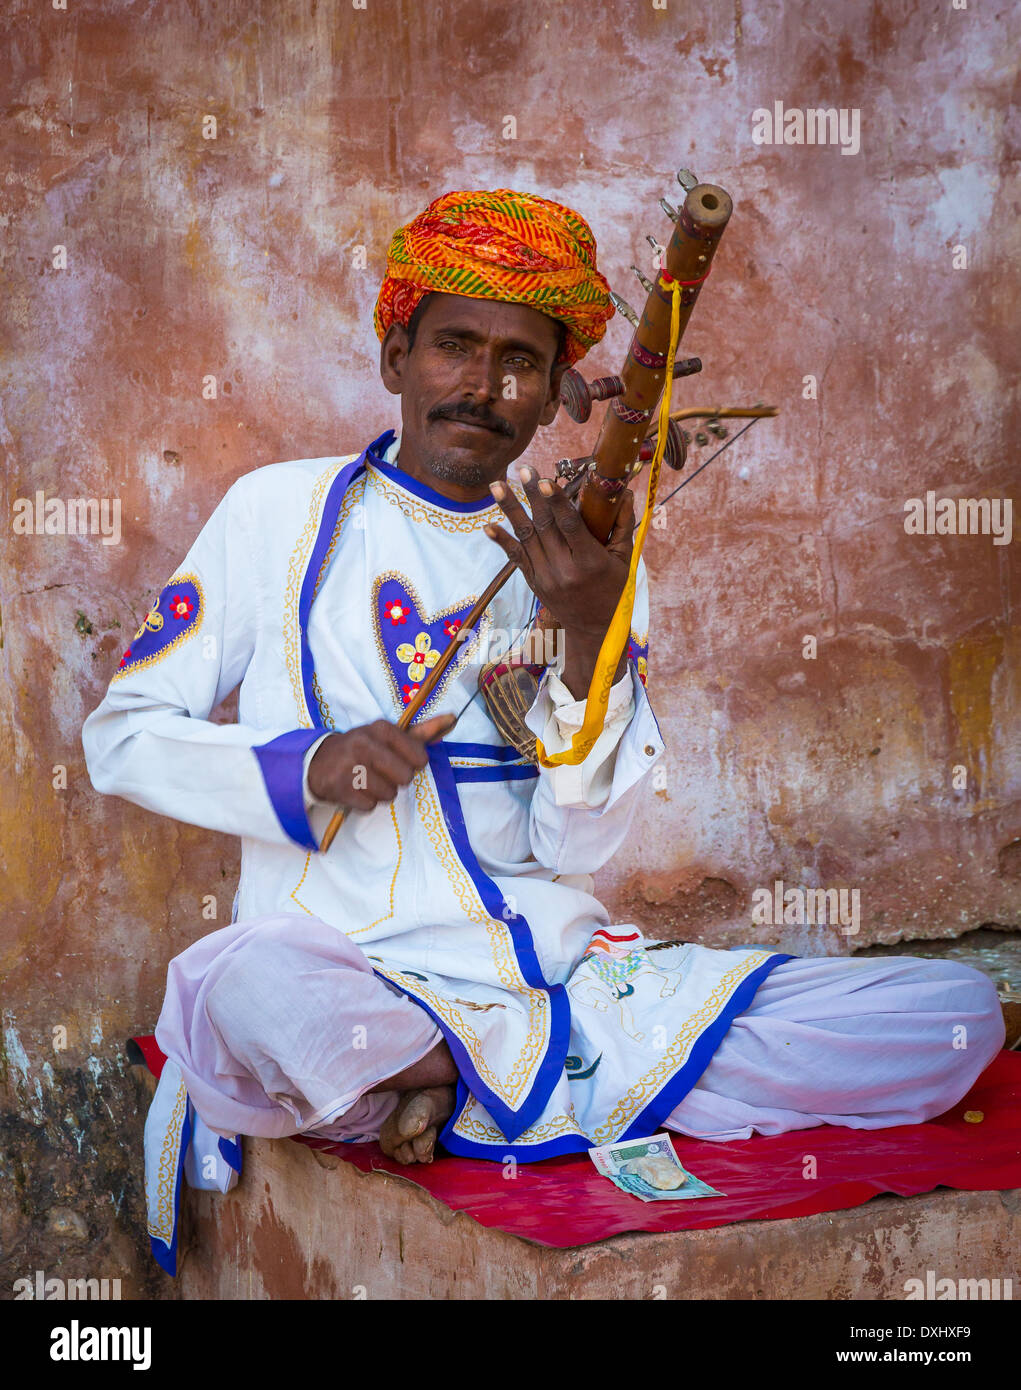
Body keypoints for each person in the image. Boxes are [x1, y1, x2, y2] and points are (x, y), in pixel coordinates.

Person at [83, 189, 1003, 1221]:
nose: (481, 386)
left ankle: (456, 1084)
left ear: (556, 389)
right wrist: (307, 767)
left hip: (564, 991)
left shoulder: (590, 558)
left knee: (951, 1014)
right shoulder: (276, 512)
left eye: (519, 361)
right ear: (396, 359)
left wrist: (584, 640)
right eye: (454, 347)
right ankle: (452, 1071)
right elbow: (121, 737)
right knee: (235, 987)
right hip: (355, 984)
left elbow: (581, 841)